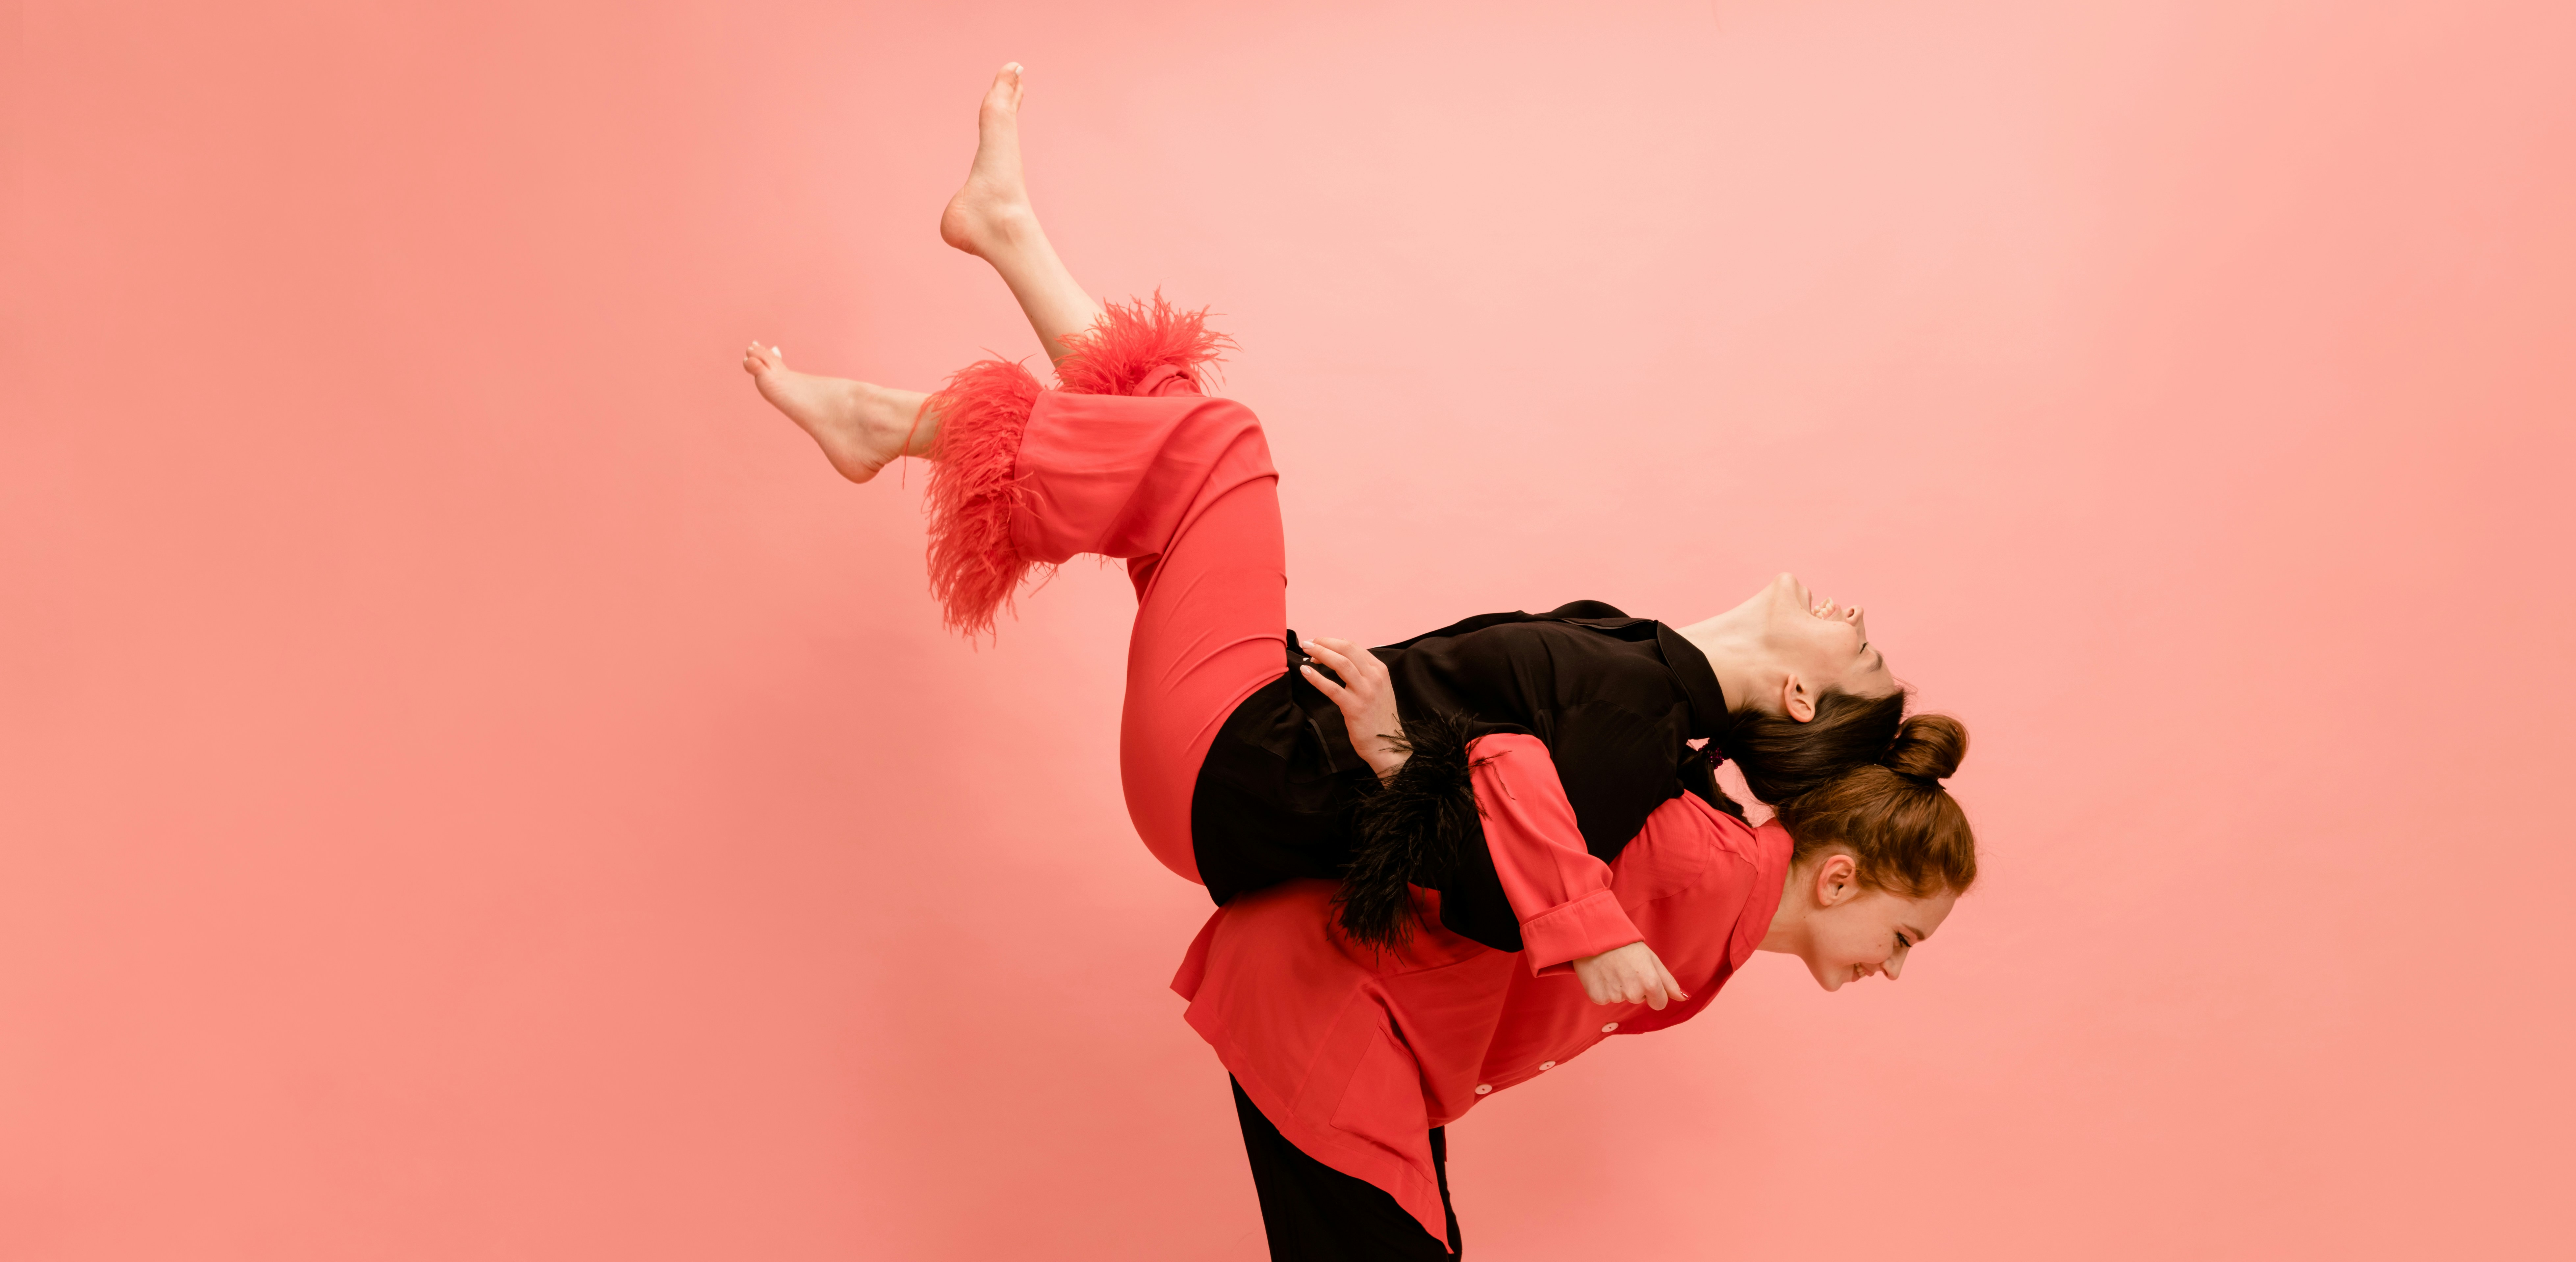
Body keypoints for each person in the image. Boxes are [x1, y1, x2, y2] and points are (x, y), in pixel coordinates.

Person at [744, 64, 1981, 1262]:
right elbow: (1503, 827)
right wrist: (1543, 879)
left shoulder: (1671, 752)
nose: (1889, 969)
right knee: (1203, 451)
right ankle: (916, 405)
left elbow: (1489, 819)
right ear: (1835, 851)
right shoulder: (1680, 803)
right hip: (1252, 817)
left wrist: (1430, 760)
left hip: (1284, 882)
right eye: (1897, 937)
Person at [745, 63, 1912, 985]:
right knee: (1177, 444)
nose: (1854, 617)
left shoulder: (1644, 720)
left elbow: (1488, 894)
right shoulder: (1640, 662)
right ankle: (1005, 231)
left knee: (1218, 450)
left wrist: (1401, 758)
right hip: (1245, 745)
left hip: (1240, 768)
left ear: (1800, 701)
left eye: (1855, 651)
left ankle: (896, 425)